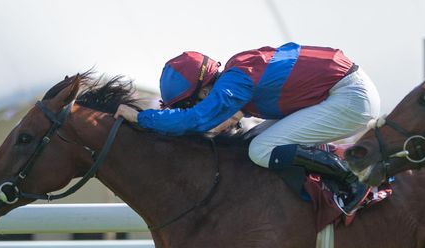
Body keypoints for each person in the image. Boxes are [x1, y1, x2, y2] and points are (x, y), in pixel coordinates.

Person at [115, 43, 381, 213]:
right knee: (252, 142)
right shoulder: (235, 74)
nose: (188, 109)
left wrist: (141, 118)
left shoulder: (236, 79)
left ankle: (350, 179)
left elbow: (196, 119)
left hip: (350, 97)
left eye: (190, 103)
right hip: (338, 91)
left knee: (261, 150)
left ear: (206, 89)